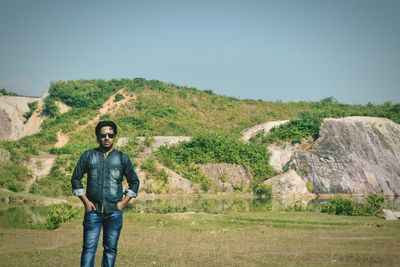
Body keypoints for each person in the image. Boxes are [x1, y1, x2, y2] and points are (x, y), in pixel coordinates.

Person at [71, 120, 140, 267]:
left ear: (114, 136)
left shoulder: (122, 158)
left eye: (110, 134)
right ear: (97, 137)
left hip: (114, 213)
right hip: (93, 211)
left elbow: (134, 182)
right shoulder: (89, 156)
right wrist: (85, 202)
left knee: (110, 250)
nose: (107, 138)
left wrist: (123, 203)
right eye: (103, 135)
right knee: (89, 249)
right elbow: (76, 179)